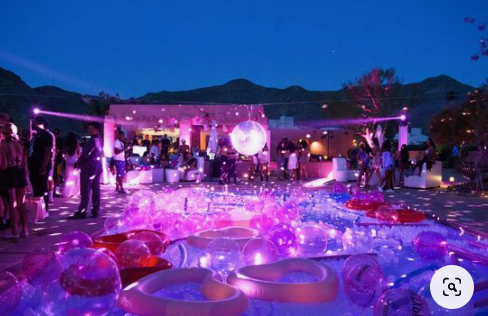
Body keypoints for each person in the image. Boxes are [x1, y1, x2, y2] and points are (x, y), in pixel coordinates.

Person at [0, 123, 28, 239]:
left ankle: (15, 231)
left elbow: (4, 166)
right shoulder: (21, 144)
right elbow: (25, 163)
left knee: (13, 204)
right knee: (21, 203)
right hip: (20, 173)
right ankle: (25, 230)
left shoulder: (3, 146)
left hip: (10, 175)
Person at [70, 122, 102, 219]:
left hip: (89, 168)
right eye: (89, 128)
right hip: (97, 167)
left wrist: (78, 162)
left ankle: (82, 212)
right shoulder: (100, 139)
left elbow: (85, 154)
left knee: (85, 190)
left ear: (97, 130)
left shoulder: (92, 140)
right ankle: (95, 211)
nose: (89, 130)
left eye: (91, 128)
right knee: (96, 190)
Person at [28, 116, 54, 212]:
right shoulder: (36, 135)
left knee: (42, 187)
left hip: (41, 166)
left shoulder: (46, 135)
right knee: (36, 187)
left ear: (39, 123)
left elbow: (47, 152)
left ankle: (43, 208)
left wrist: (43, 166)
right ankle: (37, 208)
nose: (32, 125)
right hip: (34, 165)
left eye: (34, 123)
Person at [62, 132, 81, 198]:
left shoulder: (65, 143)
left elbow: (64, 152)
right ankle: (75, 192)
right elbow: (79, 152)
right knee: (75, 177)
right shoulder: (76, 143)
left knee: (68, 177)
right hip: (74, 161)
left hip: (68, 161)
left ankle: (67, 192)